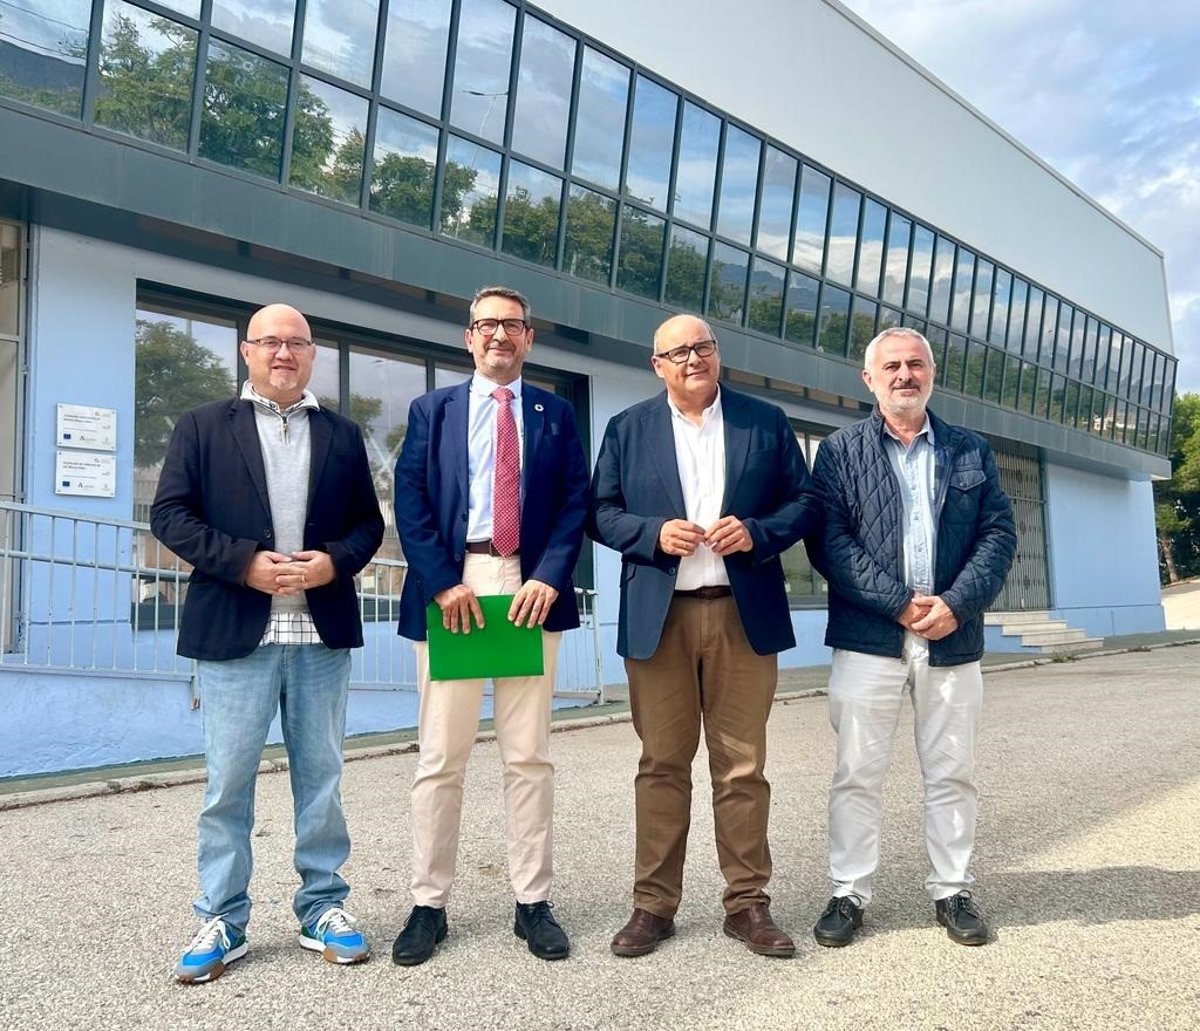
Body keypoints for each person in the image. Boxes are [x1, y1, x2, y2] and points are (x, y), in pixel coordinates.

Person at [150, 303, 384, 983]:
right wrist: (242, 561)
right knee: (227, 784)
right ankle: (222, 917)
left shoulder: (342, 434)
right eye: (271, 342)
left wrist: (333, 563)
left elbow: (368, 526)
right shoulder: (202, 426)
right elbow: (169, 514)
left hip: (320, 634)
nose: (284, 353)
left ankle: (323, 906)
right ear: (246, 351)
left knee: (322, 780)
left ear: (312, 355)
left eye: (297, 343)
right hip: (234, 632)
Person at [588, 313, 822, 959]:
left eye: (703, 347)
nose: (693, 358)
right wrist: (652, 533)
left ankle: (747, 904)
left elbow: (805, 503)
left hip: (742, 615)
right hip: (659, 616)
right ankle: (653, 905)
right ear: (657, 364)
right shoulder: (628, 428)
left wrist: (757, 532)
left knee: (742, 766)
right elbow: (599, 512)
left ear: (717, 353)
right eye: (679, 352)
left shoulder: (764, 421)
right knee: (661, 764)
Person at [391, 286, 589, 965]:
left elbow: (575, 501)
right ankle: (428, 904)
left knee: (528, 755)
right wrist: (441, 581)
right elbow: (410, 498)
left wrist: (550, 574)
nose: (498, 335)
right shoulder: (433, 410)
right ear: (468, 337)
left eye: (511, 324)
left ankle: (532, 901)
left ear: (529, 337)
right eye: (486, 325)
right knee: (440, 757)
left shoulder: (555, 413)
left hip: (530, 588)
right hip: (455, 589)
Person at [809, 326, 1016, 948]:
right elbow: (829, 542)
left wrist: (957, 604)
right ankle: (849, 892)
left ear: (932, 374)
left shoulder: (970, 449)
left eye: (916, 364)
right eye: (892, 366)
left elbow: (998, 535)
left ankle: (952, 889)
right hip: (868, 636)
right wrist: (898, 604)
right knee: (856, 771)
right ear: (869, 379)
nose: (905, 374)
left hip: (952, 635)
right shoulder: (840, 451)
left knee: (952, 770)